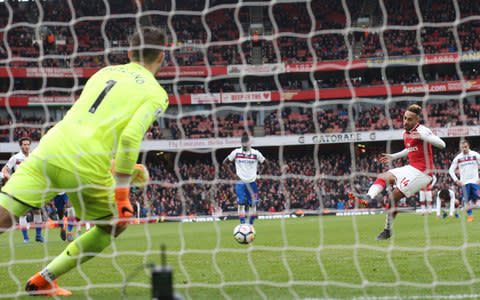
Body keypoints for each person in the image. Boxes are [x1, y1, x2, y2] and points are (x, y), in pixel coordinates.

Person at [0, 27, 168, 296]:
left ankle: (43, 282)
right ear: (161, 56)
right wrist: (122, 193)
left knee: (4, 217)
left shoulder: (104, 72)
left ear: (128, 52)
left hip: (51, 147)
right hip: (87, 164)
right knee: (114, 225)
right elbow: (128, 139)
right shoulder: (155, 92)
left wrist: (114, 166)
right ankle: (45, 279)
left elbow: (89, 120)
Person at [348, 104, 445, 240]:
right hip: (411, 168)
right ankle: (369, 197)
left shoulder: (423, 130)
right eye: (405, 118)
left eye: (409, 119)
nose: (405, 122)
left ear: (417, 120)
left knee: (393, 197)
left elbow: (442, 144)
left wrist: (424, 137)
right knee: (383, 176)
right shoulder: (405, 133)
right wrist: (394, 156)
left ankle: (387, 229)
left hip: (423, 173)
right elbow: (409, 149)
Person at [1, 137, 45, 243]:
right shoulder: (15, 158)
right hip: (20, 188)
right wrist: (9, 178)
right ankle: (26, 238)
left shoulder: (34, 157)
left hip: (33, 187)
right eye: (24, 144)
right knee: (23, 213)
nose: (26, 146)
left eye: (28, 144)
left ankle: (38, 236)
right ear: (20, 146)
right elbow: (4, 170)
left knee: (37, 211)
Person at [222, 133, 269, 225]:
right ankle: (243, 225)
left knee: (253, 204)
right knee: (241, 204)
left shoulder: (255, 153)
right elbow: (225, 163)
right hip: (240, 183)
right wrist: (232, 175)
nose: (244, 145)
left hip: (252, 182)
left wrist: (259, 176)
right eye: (243, 143)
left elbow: (266, 164)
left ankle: (251, 225)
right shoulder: (236, 152)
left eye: (246, 143)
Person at [448, 140, 480, 222]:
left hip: (475, 181)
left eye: (465, 147)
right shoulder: (458, 158)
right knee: (466, 200)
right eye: (462, 147)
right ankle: (470, 216)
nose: (464, 149)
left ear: (469, 146)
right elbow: (451, 170)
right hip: (464, 183)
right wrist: (456, 180)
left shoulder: (475, 155)